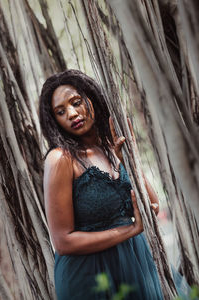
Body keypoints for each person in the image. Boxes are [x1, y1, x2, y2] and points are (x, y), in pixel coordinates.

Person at [39, 69, 188, 300]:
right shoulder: (61, 159)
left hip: (134, 262)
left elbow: (152, 204)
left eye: (76, 102)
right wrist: (130, 230)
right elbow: (63, 241)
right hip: (89, 276)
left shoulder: (111, 147)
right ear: (54, 120)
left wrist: (127, 158)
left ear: (91, 97)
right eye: (60, 111)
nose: (71, 113)